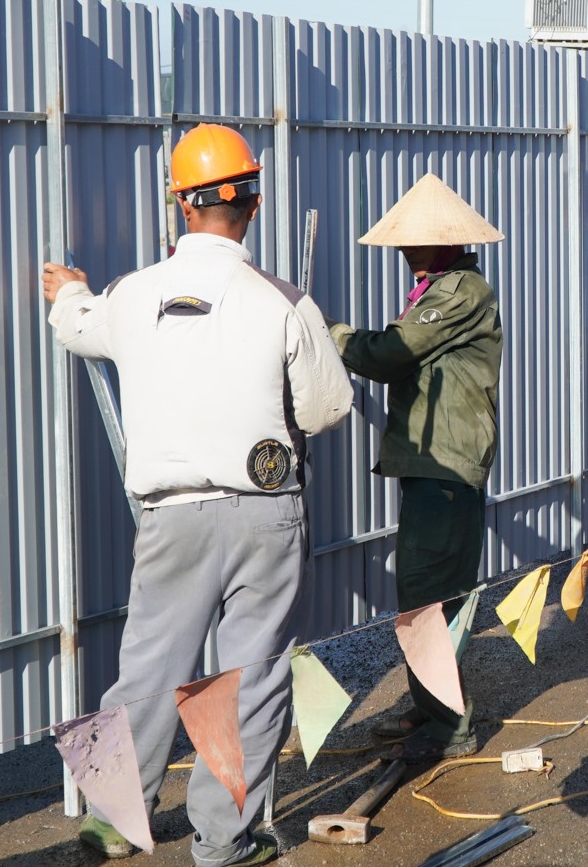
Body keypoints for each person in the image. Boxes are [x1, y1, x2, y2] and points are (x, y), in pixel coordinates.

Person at [43, 123, 354, 866]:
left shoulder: (132, 294)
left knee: (147, 669)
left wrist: (69, 292)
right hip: (264, 512)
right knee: (251, 676)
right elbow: (325, 409)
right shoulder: (284, 301)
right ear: (254, 202)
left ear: (181, 203)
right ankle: (223, 842)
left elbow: (80, 329)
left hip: (172, 515)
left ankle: (114, 820)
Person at [326, 173, 504, 762]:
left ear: (443, 241)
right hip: (436, 461)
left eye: (412, 241)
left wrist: (332, 335)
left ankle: (450, 726)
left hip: (447, 464)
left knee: (427, 593)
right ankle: (433, 707)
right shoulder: (439, 288)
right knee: (431, 593)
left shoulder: (458, 291)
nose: (403, 252)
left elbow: (391, 353)